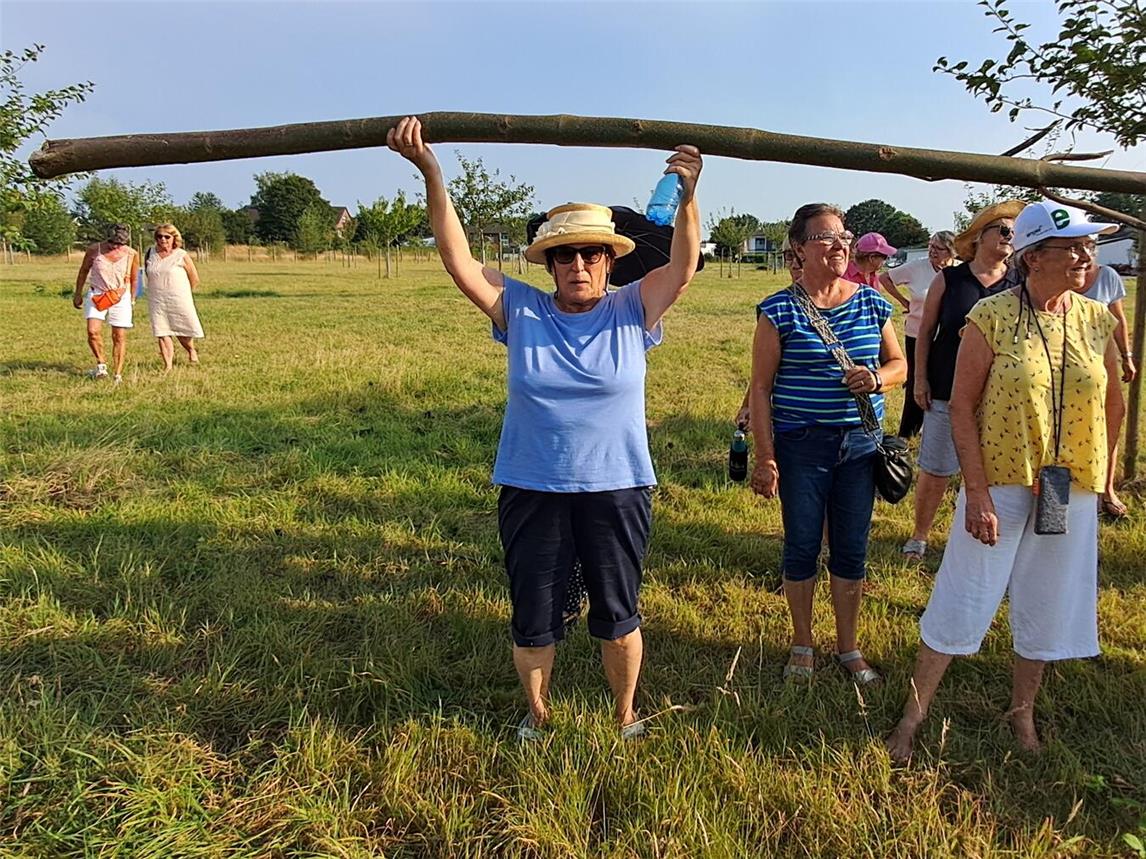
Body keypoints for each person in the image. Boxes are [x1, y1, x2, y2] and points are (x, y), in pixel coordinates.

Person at [387, 116, 703, 739]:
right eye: (565, 255)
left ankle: (624, 716)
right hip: (532, 485)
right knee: (534, 610)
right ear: (551, 264)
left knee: (618, 610)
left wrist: (689, 195)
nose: (578, 264)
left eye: (590, 253)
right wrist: (432, 173)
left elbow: (685, 265)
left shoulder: (633, 307)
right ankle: (537, 716)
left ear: (610, 262)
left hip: (617, 487)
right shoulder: (522, 309)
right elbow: (457, 259)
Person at [886, 202, 1122, 762]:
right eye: (1074, 246)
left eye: (1090, 246)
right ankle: (913, 716)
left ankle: (1023, 716)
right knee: (963, 593)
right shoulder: (990, 316)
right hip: (1001, 479)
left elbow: (1112, 400)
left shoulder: (1097, 318)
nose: (1087, 255)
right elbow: (961, 408)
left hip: (1069, 487)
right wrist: (978, 492)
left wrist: (1103, 477)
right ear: (1034, 257)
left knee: (1046, 598)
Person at [748, 204, 907, 684]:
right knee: (800, 546)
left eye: (844, 236)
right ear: (799, 248)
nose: (840, 245)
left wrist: (877, 379)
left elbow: (899, 364)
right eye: (826, 238)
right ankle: (802, 643)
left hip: (860, 446)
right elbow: (760, 388)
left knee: (851, 549)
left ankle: (848, 647)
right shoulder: (778, 309)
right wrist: (766, 457)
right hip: (801, 446)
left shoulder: (872, 302)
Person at [902, 202, 1025, 560]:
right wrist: (919, 380)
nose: (1009, 238)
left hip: (999, 395)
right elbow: (925, 332)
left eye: (1013, 233)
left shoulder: (1019, 283)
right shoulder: (950, 279)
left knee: (994, 469)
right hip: (945, 387)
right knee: (937, 467)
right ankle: (920, 535)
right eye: (1002, 230)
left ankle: (982, 532)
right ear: (980, 237)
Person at [878, 231, 958, 438]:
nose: (932, 251)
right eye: (930, 246)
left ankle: (936, 428)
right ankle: (908, 431)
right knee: (917, 380)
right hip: (917, 333)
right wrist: (905, 302)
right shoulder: (917, 267)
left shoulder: (959, 271)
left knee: (943, 380)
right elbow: (885, 278)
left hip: (947, 336)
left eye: (938, 248)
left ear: (950, 251)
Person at [1078, 260, 1136, 518]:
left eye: (1088, 244)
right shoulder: (1062, 275)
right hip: (1063, 361)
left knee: (1111, 418)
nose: (1083, 251)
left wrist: (1127, 356)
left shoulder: (1107, 276)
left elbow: (1118, 319)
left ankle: (1107, 488)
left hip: (1101, 359)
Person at [734, 237, 802, 429]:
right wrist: (748, 405)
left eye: (801, 256)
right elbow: (763, 370)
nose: (796, 264)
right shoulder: (774, 308)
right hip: (791, 424)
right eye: (790, 256)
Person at [72, 223, 139, 384]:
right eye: (113, 243)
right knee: (92, 331)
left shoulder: (131, 254)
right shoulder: (95, 250)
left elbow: (135, 276)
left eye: (120, 244)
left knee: (119, 335)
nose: (115, 247)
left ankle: (118, 374)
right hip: (97, 294)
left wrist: (132, 298)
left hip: (120, 296)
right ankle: (101, 364)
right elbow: (83, 271)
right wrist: (78, 293)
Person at [145, 223, 204, 370]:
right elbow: (148, 273)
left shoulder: (181, 255)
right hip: (157, 299)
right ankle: (168, 365)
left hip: (178, 298)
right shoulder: (150, 253)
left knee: (182, 329)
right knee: (162, 330)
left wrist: (184, 293)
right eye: (159, 236)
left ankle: (191, 350)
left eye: (167, 237)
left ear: (174, 238)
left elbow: (194, 278)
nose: (163, 240)